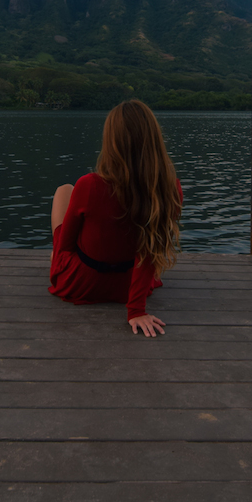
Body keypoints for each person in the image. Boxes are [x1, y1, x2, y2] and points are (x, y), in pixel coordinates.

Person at [49, 99, 182, 337]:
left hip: (82, 284)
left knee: (64, 190)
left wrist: (58, 256)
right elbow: (151, 254)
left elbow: (66, 245)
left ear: (111, 141)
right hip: (130, 285)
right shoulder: (169, 189)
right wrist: (135, 310)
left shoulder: (90, 185)